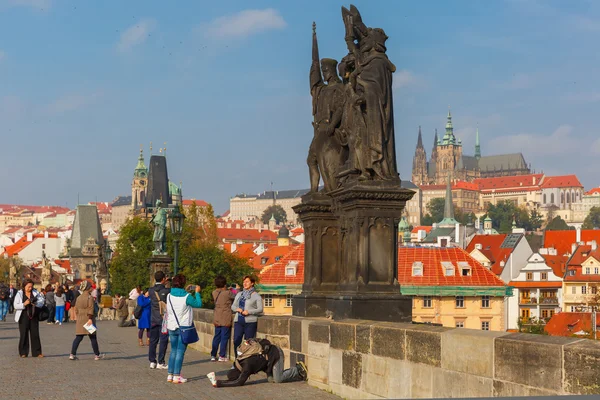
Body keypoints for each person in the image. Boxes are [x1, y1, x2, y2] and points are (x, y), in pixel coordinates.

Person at [207, 339, 308, 387]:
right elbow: (236, 377)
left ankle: (298, 369)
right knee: (271, 379)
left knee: (278, 379)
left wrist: (219, 383)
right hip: (267, 361)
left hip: (275, 354)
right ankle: (296, 376)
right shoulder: (238, 360)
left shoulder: (246, 367)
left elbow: (239, 382)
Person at [165, 274, 202, 384]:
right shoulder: (187, 297)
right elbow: (198, 304)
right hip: (184, 327)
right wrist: (197, 292)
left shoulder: (169, 295)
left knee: (173, 351)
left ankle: (170, 375)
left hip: (171, 325)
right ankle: (177, 376)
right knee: (180, 351)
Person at [70, 280, 104, 361]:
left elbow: (76, 309)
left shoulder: (79, 297)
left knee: (78, 337)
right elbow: (91, 309)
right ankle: (97, 355)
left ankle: (72, 354)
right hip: (88, 319)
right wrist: (90, 319)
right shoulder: (90, 297)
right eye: (90, 287)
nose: (92, 288)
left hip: (80, 319)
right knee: (93, 337)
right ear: (88, 288)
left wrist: (79, 316)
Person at [231, 276, 263, 357]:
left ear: (252, 283)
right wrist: (237, 309)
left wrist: (249, 312)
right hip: (238, 320)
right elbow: (233, 306)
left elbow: (260, 309)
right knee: (236, 341)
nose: (245, 283)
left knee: (248, 343)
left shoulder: (256, 296)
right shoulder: (239, 294)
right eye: (244, 282)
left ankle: (246, 361)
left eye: (247, 282)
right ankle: (237, 359)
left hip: (250, 322)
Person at [14, 279, 45, 358]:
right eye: (28, 287)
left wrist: (36, 303)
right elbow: (15, 305)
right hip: (23, 316)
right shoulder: (19, 293)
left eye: (31, 286)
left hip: (34, 316)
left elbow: (42, 301)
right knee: (24, 334)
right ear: (24, 286)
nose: (30, 288)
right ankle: (23, 352)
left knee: (35, 334)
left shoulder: (35, 293)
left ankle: (37, 352)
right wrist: (24, 304)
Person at [148, 270, 170, 370]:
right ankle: (161, 361)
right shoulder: (166, 291)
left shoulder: (151, 290)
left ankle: (152, 361)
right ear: (163, 279)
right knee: (163, 341)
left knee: (153, 341)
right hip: (163, 319)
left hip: (153, 318)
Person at [211, 276, 235, 362]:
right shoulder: (228, 293)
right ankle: (222, 355)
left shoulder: (214, 292)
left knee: (216, 336)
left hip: (217, 316)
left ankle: (213, 355)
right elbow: (235, 296)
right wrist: (235, 289)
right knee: (224, 337)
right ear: (224, 284)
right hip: (225, 317)